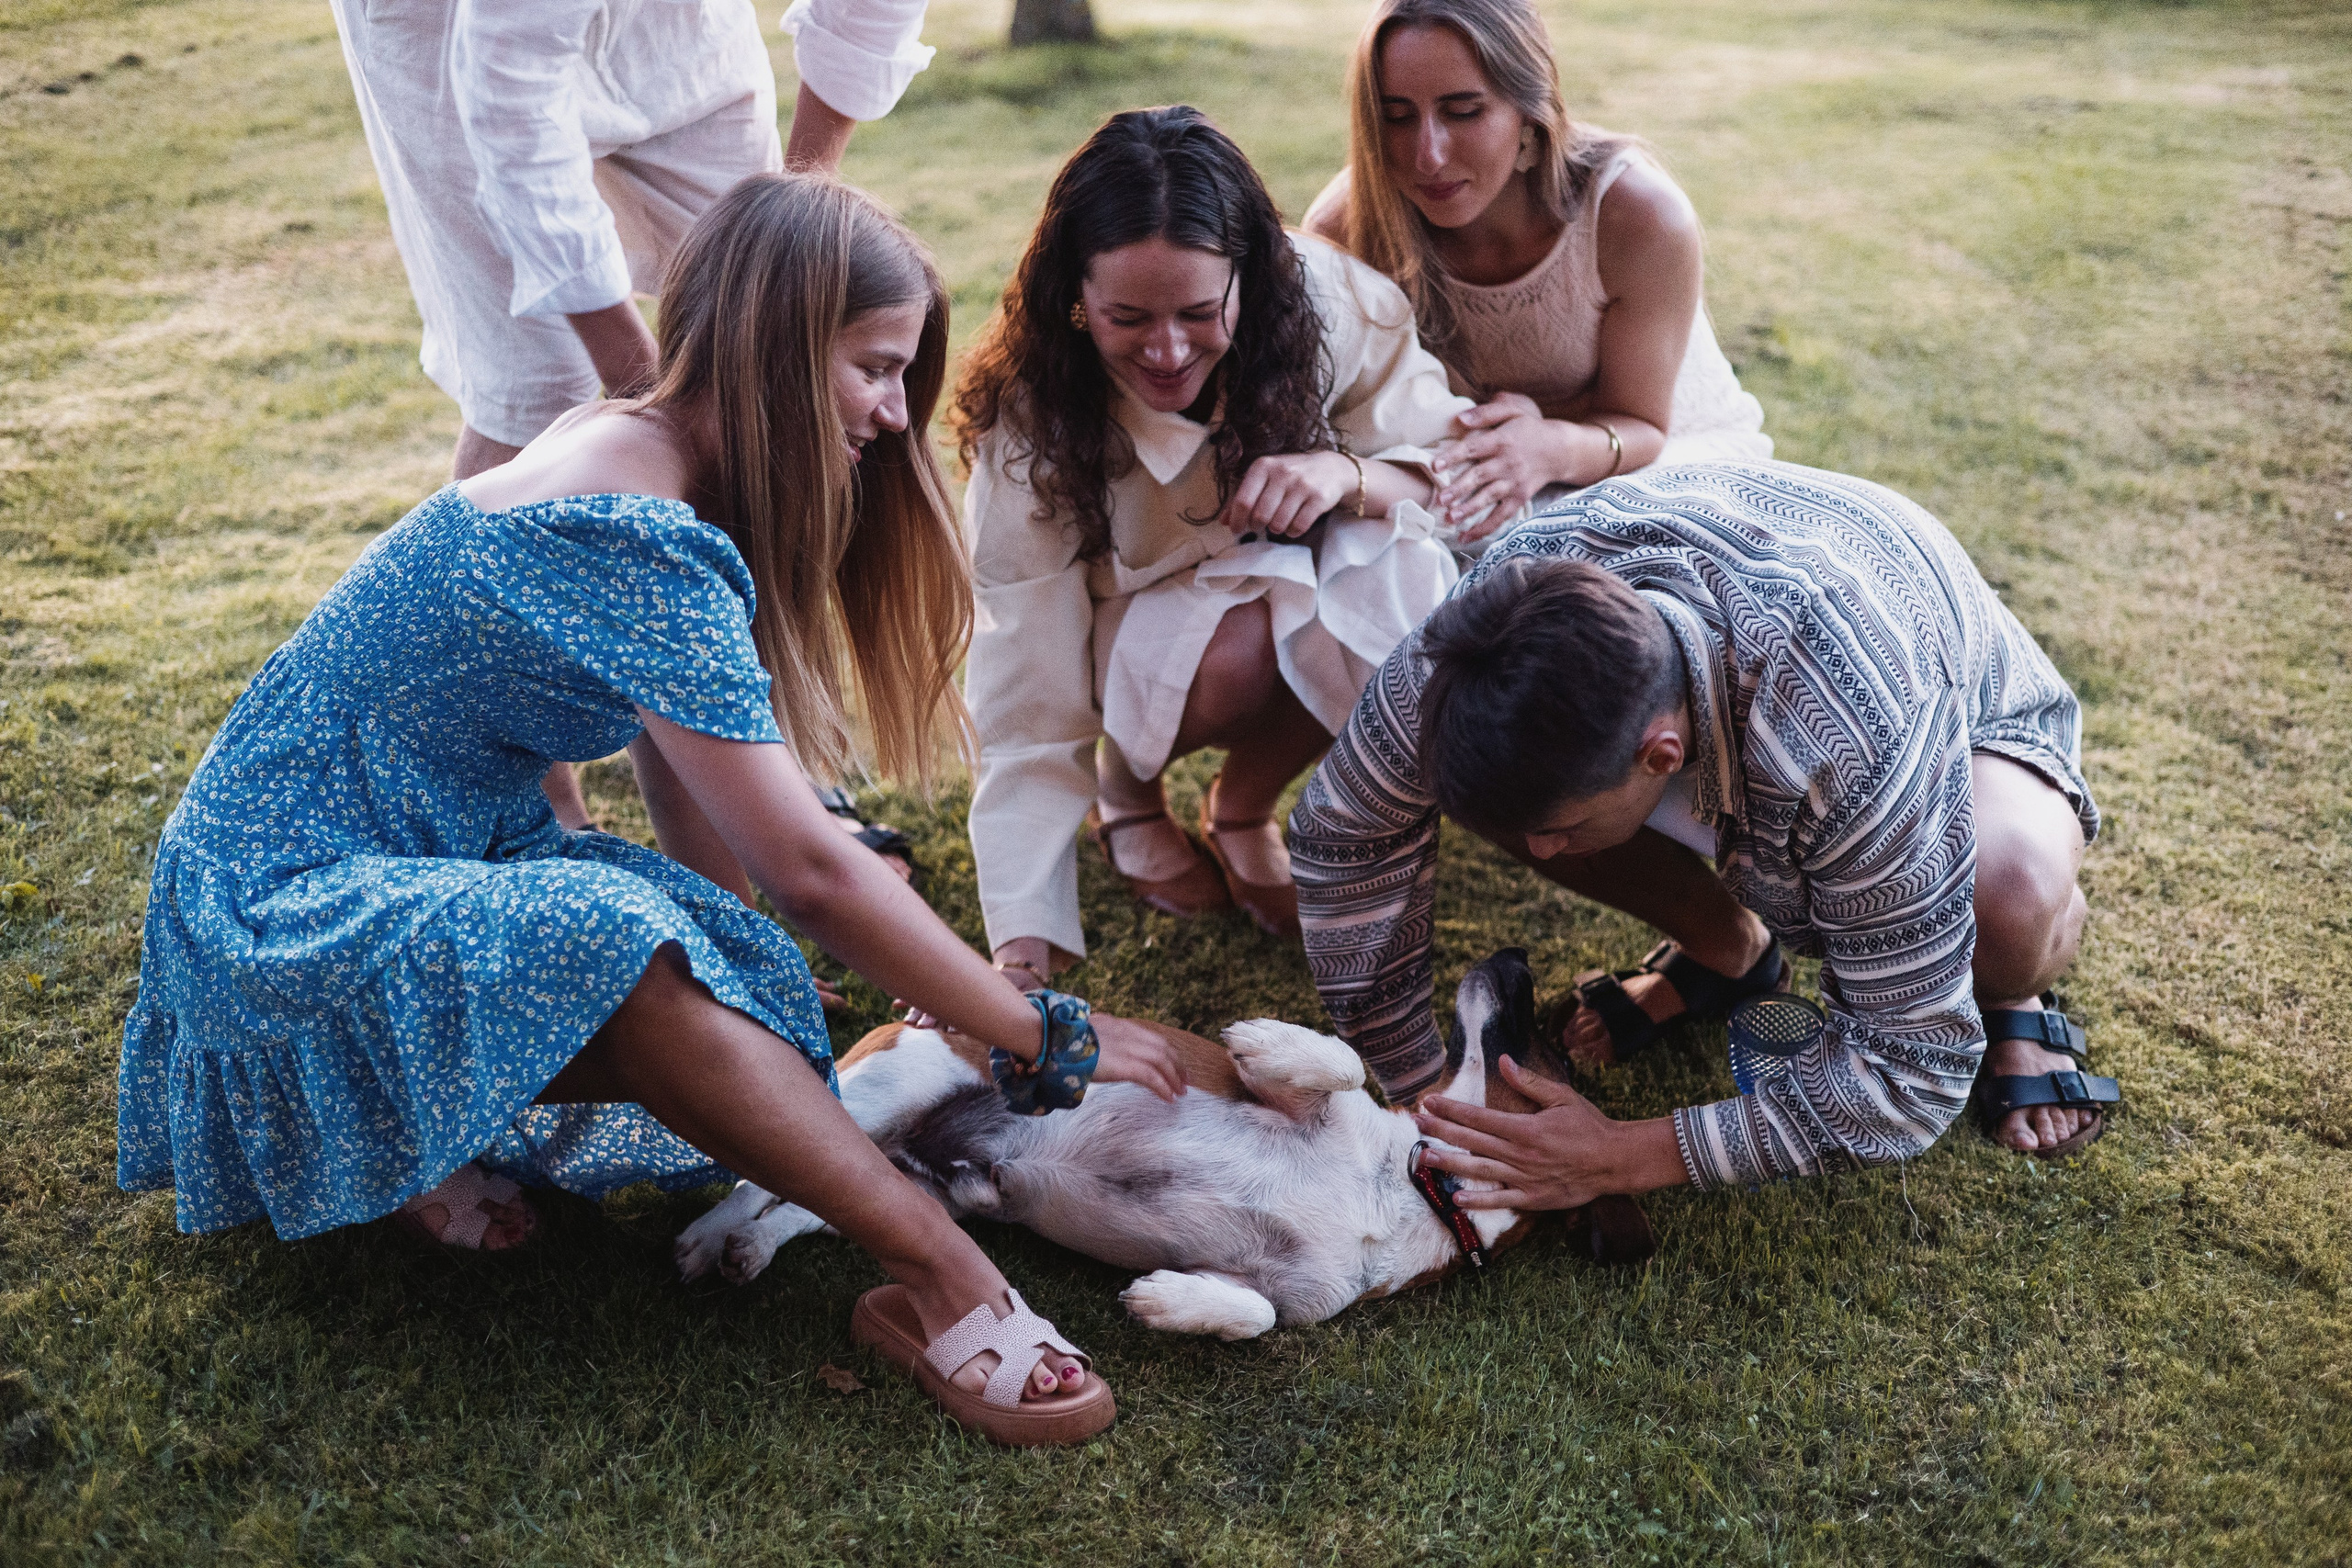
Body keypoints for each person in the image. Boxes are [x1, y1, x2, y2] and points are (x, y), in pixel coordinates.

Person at [115, 175, 1182, 1446]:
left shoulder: (640, 454)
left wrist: (750, 985)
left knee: (674, 936)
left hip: (391, 856)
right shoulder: (635, 526)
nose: (895, 416)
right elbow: (809, 868)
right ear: (781, 346)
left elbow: (700, 800)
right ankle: (944, 1272)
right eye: (876, 369)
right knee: (614, 940)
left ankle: (409, 1150)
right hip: (274, 913)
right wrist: (1036, 1032)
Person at [1289, 461, 2120, 1213]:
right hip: (1746, 659)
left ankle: (2014, 995)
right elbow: (1342, 830)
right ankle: (1731, 950)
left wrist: (1620, 1155)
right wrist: (1419, 1083)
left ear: (1663, 754)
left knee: (2004, 901)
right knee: (1523, 800)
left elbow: (1907, 1072)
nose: (1534, 859)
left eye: (1557, 836)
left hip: (1958, 708)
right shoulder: (1484, 632)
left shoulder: (1850, 744)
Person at [325, 0, 935, 829]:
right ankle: (537, 808)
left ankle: (743, 766)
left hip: (678, 24)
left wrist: (794, 231)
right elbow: (507, 88)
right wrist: (643, 387)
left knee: (763, 421)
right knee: (543, 381)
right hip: (459, 34)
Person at [955, 105, 1472, 979]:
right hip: (1127, 635)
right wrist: (1020, 945)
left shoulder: (1329, 303)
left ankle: (1242, 810)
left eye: (1199, 311)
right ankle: (1128, 796)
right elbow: (1024, 687)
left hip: (1293, 574)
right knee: (1236, 648)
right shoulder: (1030, 422)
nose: (1166, 350)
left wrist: (1340, 476)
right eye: (1127, 317)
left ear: (1248, 280)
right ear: (1073, 298)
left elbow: (1442, 468)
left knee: (1399, 576)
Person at [1303, 0, 1770, 551]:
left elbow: (1643, 426)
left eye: (1463, 110)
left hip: (1652, 454)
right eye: (1397, 116)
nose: (1427, 155)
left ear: (1529, 111)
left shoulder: (1637, 216)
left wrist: (1549, 446)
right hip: (1470, 475)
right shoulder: (1345, 233)